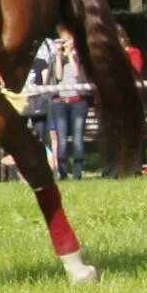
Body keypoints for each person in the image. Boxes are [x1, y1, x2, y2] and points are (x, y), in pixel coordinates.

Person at [45, 25, 90, 179]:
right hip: (59, 102)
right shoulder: (56, 58)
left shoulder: (80, 57)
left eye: (68, 40)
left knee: (78, 138)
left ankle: (77, 173)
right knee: (61, 139)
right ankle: (62, 172)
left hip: (78, 102)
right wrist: (58, 56)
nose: (66, 43)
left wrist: (71, 55)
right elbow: (57, 76)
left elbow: (78, 76)